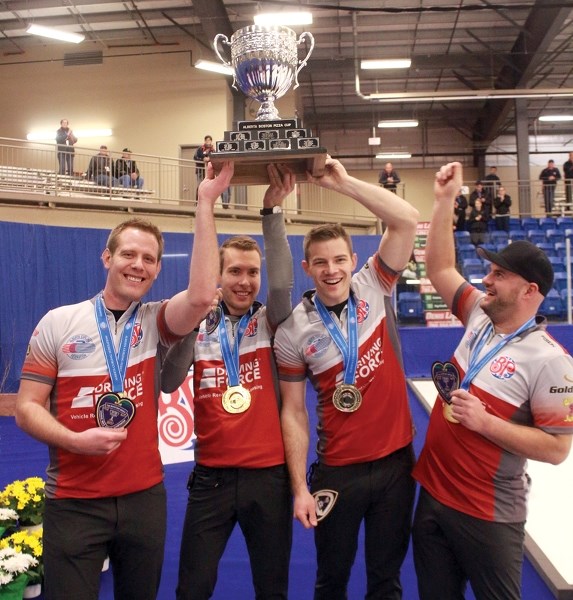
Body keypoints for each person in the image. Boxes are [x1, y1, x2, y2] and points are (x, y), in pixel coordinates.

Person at [14, 160, 233, 600]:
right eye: (129, 254)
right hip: (73, 499)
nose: (139, 265)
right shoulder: (58, 322)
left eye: (149, 259)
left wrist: (205, 202)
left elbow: (203, 295)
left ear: (156, 270)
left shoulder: (158, 321)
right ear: (107, 257)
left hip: (143, 501)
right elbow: (25, 408)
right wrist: (75, 441)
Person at [412, 161, 573, 600]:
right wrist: (445, 201)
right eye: (490, 271)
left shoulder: (552, 362)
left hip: (489, 514)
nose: (487, 278)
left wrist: (486, 423)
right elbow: (441, 267)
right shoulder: (479, 316)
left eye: (500, 274)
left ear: (530, 292)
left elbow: (558, 449)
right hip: (433, 497)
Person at [274, 156, 419, 599]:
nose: (331, 270)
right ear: (307, 268)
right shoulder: (292, 329)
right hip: (338, 471)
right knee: (330, 578)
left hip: (397, 462)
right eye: (320, 262)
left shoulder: (373, 284)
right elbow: (294, 412)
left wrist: (343, 183)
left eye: (339, 259)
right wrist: (300, 486)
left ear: (354, 260)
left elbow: (408, 219)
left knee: (386, 579)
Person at [161, 163, 296, 600]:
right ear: (218, 275)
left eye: (251, 272)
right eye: (235, 271)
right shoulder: (199, 326)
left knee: (271, 589)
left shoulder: (272, 322)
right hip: (211, 478)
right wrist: (193, 317)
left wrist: (271, 216)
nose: (244, 281)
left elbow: (281, 287)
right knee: (192, 588)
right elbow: (169, 382)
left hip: (268, 477)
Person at [194, 135, 213, 199]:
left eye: (209, 140)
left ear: (211, 141)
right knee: (200, 185)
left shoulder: (212, 150)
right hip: (200, 170)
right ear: (205, 141)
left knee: (208, 187)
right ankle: (198, 201)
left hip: (209, 172)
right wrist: (203, 160)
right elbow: (195, 157)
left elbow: (215, 160)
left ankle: (206, 201)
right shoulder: (200, 149)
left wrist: (209, 159)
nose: (208, 141)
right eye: (207, 140)